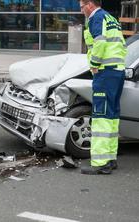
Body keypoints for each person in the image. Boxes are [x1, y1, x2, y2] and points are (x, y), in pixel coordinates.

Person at [78, 0, 127, 174]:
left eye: (82, 6)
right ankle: (110, 158)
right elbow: (121, 44)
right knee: (112, 116)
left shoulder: (96, 18)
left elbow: (99, 42)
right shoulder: (110, 18)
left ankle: (100, 163)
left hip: (105, 72)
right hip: (117, 71)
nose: (81, 10)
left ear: (90, 4)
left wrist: (94, 63)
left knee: (101, 117)